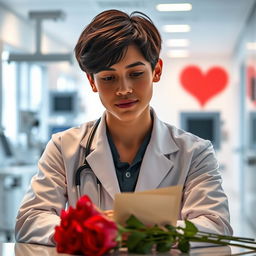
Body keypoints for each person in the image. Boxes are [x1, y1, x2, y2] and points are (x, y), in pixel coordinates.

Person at [15, 9, 233, 245]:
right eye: (109, 78)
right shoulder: (63, 147)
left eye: (136, 73)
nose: (124, 89)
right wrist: (94, 231)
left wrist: (141, 233)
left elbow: (215, 226)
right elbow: (30, 220)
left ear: (156, 71)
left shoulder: (195, 153)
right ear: (92, 81)